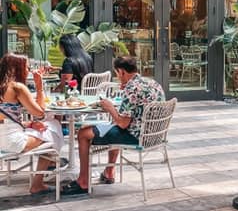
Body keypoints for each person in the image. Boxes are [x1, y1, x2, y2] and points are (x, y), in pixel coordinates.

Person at [63, 55, 164, 196]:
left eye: (117, 74)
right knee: (111, 124)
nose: (117, 77)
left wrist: (110, 108)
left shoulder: (132, 88)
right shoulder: (153, 83)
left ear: (121, 71)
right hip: (154, 135)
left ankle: (83, 181)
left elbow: (123, 124)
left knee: (83, 133)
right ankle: (109, 172)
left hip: (135, 136)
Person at [0, 53, 64, 195]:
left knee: (45, 130)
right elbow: (40, 113)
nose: (28, 70)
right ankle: (38, 183)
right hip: (11, 142)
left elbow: (5, 118)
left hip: (3, 137)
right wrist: (39, 86)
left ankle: (45, 172)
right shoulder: (17, 87)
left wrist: (28, 124)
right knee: (52, 126)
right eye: (27, 67)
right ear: (18, 69)